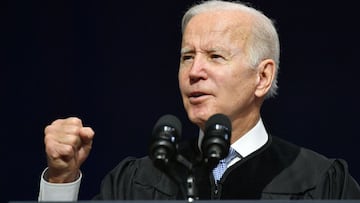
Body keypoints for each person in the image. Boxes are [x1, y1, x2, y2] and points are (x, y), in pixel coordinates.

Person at [38, 0, 360, 201]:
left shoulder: (322, 184)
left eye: (215, 56)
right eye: (187, 56)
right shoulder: (140, 182)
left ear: (262, 77)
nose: (194, 72)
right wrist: (61, 179)